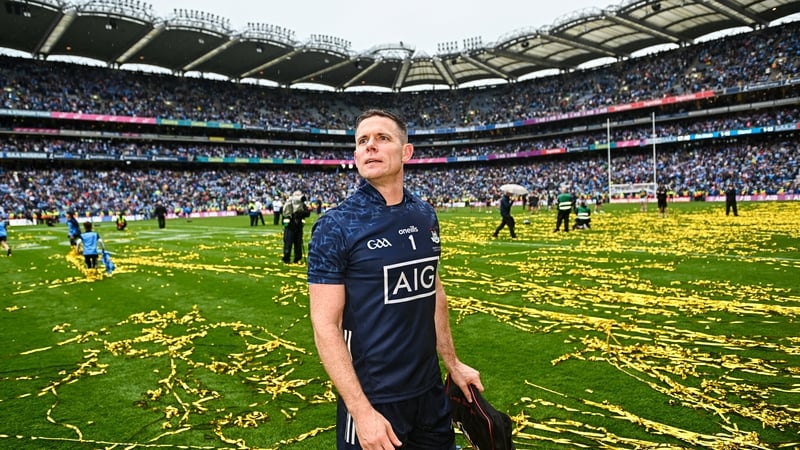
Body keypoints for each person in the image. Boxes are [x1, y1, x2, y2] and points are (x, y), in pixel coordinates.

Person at [307, 109, 483, 450]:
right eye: (362, 141)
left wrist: (453, 362)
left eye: (382, 138)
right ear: (356, 155)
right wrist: (361, 411)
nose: (370, 146)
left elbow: (433, 289)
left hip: (430, 392)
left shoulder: (424, 214)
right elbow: (324, 324)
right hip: (375, 401)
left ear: (406, 152)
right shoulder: (335, 226)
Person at [281, 190, 309, 263]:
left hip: (298, 226)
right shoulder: (289, 203)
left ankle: (297, 258)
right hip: (290, 226)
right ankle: (286, 257)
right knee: (288, 243)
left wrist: (300, 214)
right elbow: (284, 214)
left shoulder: (302, 205)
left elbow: (307, 213)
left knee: (298, 243)